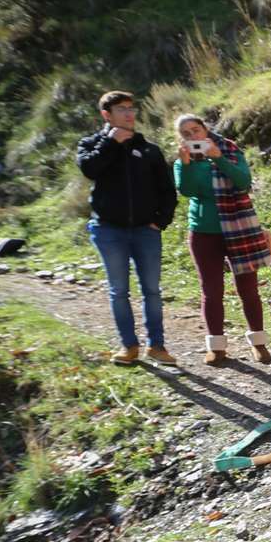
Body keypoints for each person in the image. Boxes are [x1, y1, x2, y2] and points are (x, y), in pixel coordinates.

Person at [76, 90, 178, 365]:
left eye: (132, 108)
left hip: (147, 231)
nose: (130, 113)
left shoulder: (149, 149)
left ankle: (156, 346)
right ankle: (128, 346)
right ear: (106, 115)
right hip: (108, 231)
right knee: (119, 291)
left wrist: (161, 221)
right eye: (122, 109)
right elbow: (89, 169)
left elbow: (167, 191)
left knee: (152, 291)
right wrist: (110, 144)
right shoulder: (91, 144)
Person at [173, 114, 271, 365]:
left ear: (205, 129)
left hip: (239, 227)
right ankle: (216, 347)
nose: (193, 136)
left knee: (248, 289)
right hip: (203, 232)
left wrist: (218, 157)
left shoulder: (228, 149)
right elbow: (188, 191)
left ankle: (259, 343)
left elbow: (243, 182)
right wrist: (186, 165)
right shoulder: (184, 160)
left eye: (196, 130)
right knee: (211, 290)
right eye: (186, 134)